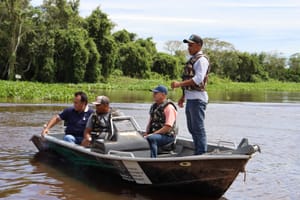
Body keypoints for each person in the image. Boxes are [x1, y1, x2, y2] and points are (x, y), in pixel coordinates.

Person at [171, 34, 209, 155]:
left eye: (191, 45)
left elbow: (198, 79)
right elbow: (190, 79)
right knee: (192, 128)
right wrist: (183, 96)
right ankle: (198, 151)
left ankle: (201, 153)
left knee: (198, 128)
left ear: (199, 46)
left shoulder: (201, 60)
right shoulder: (193, 59)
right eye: (188, 45)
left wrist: (179, 84)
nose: (189, 48)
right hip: (191, 98)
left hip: (198, 99)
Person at [144, 85, 178, 158]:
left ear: (163, 95)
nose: (153, 95)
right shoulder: (154, 106)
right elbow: (150, 122)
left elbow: (168, 127)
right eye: (153, 93)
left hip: (167, 136)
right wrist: (146, 133)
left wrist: (153, 134)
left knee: (152, 138)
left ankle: (153, 159)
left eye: (156, 93)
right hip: (156, 134)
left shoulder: (169, 108)